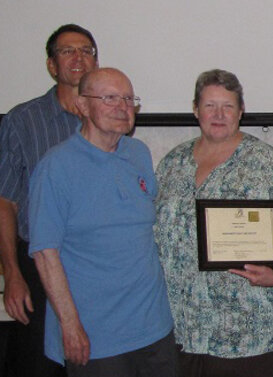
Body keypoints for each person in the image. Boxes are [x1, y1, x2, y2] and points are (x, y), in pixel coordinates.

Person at [154, 69, 273, 377]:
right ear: (195, 109)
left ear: (240, 111)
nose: (218, 114)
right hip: (182, 325)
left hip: (249, 326)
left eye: (227, 106)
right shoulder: (173, 163)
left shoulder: (266, 162)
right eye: (210, 105)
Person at [28, 68, 175, 376]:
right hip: (97, 337)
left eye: (128, 98)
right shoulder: (55, 168)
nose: (122, 106)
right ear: (82, 105)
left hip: (154, 328)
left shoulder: (139, 153)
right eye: (109, 98)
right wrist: (69, 325)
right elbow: (45, 253)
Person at [0, 23, 99, 376]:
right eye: (67, 51)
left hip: (94, 268)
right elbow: (6, 202)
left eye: (87, 50)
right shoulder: (22, 120)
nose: (78, 58)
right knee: (39, 366)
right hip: (39, 266)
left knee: (93, 362)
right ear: (51, 65)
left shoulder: (110, 120)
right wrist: (11, 273)